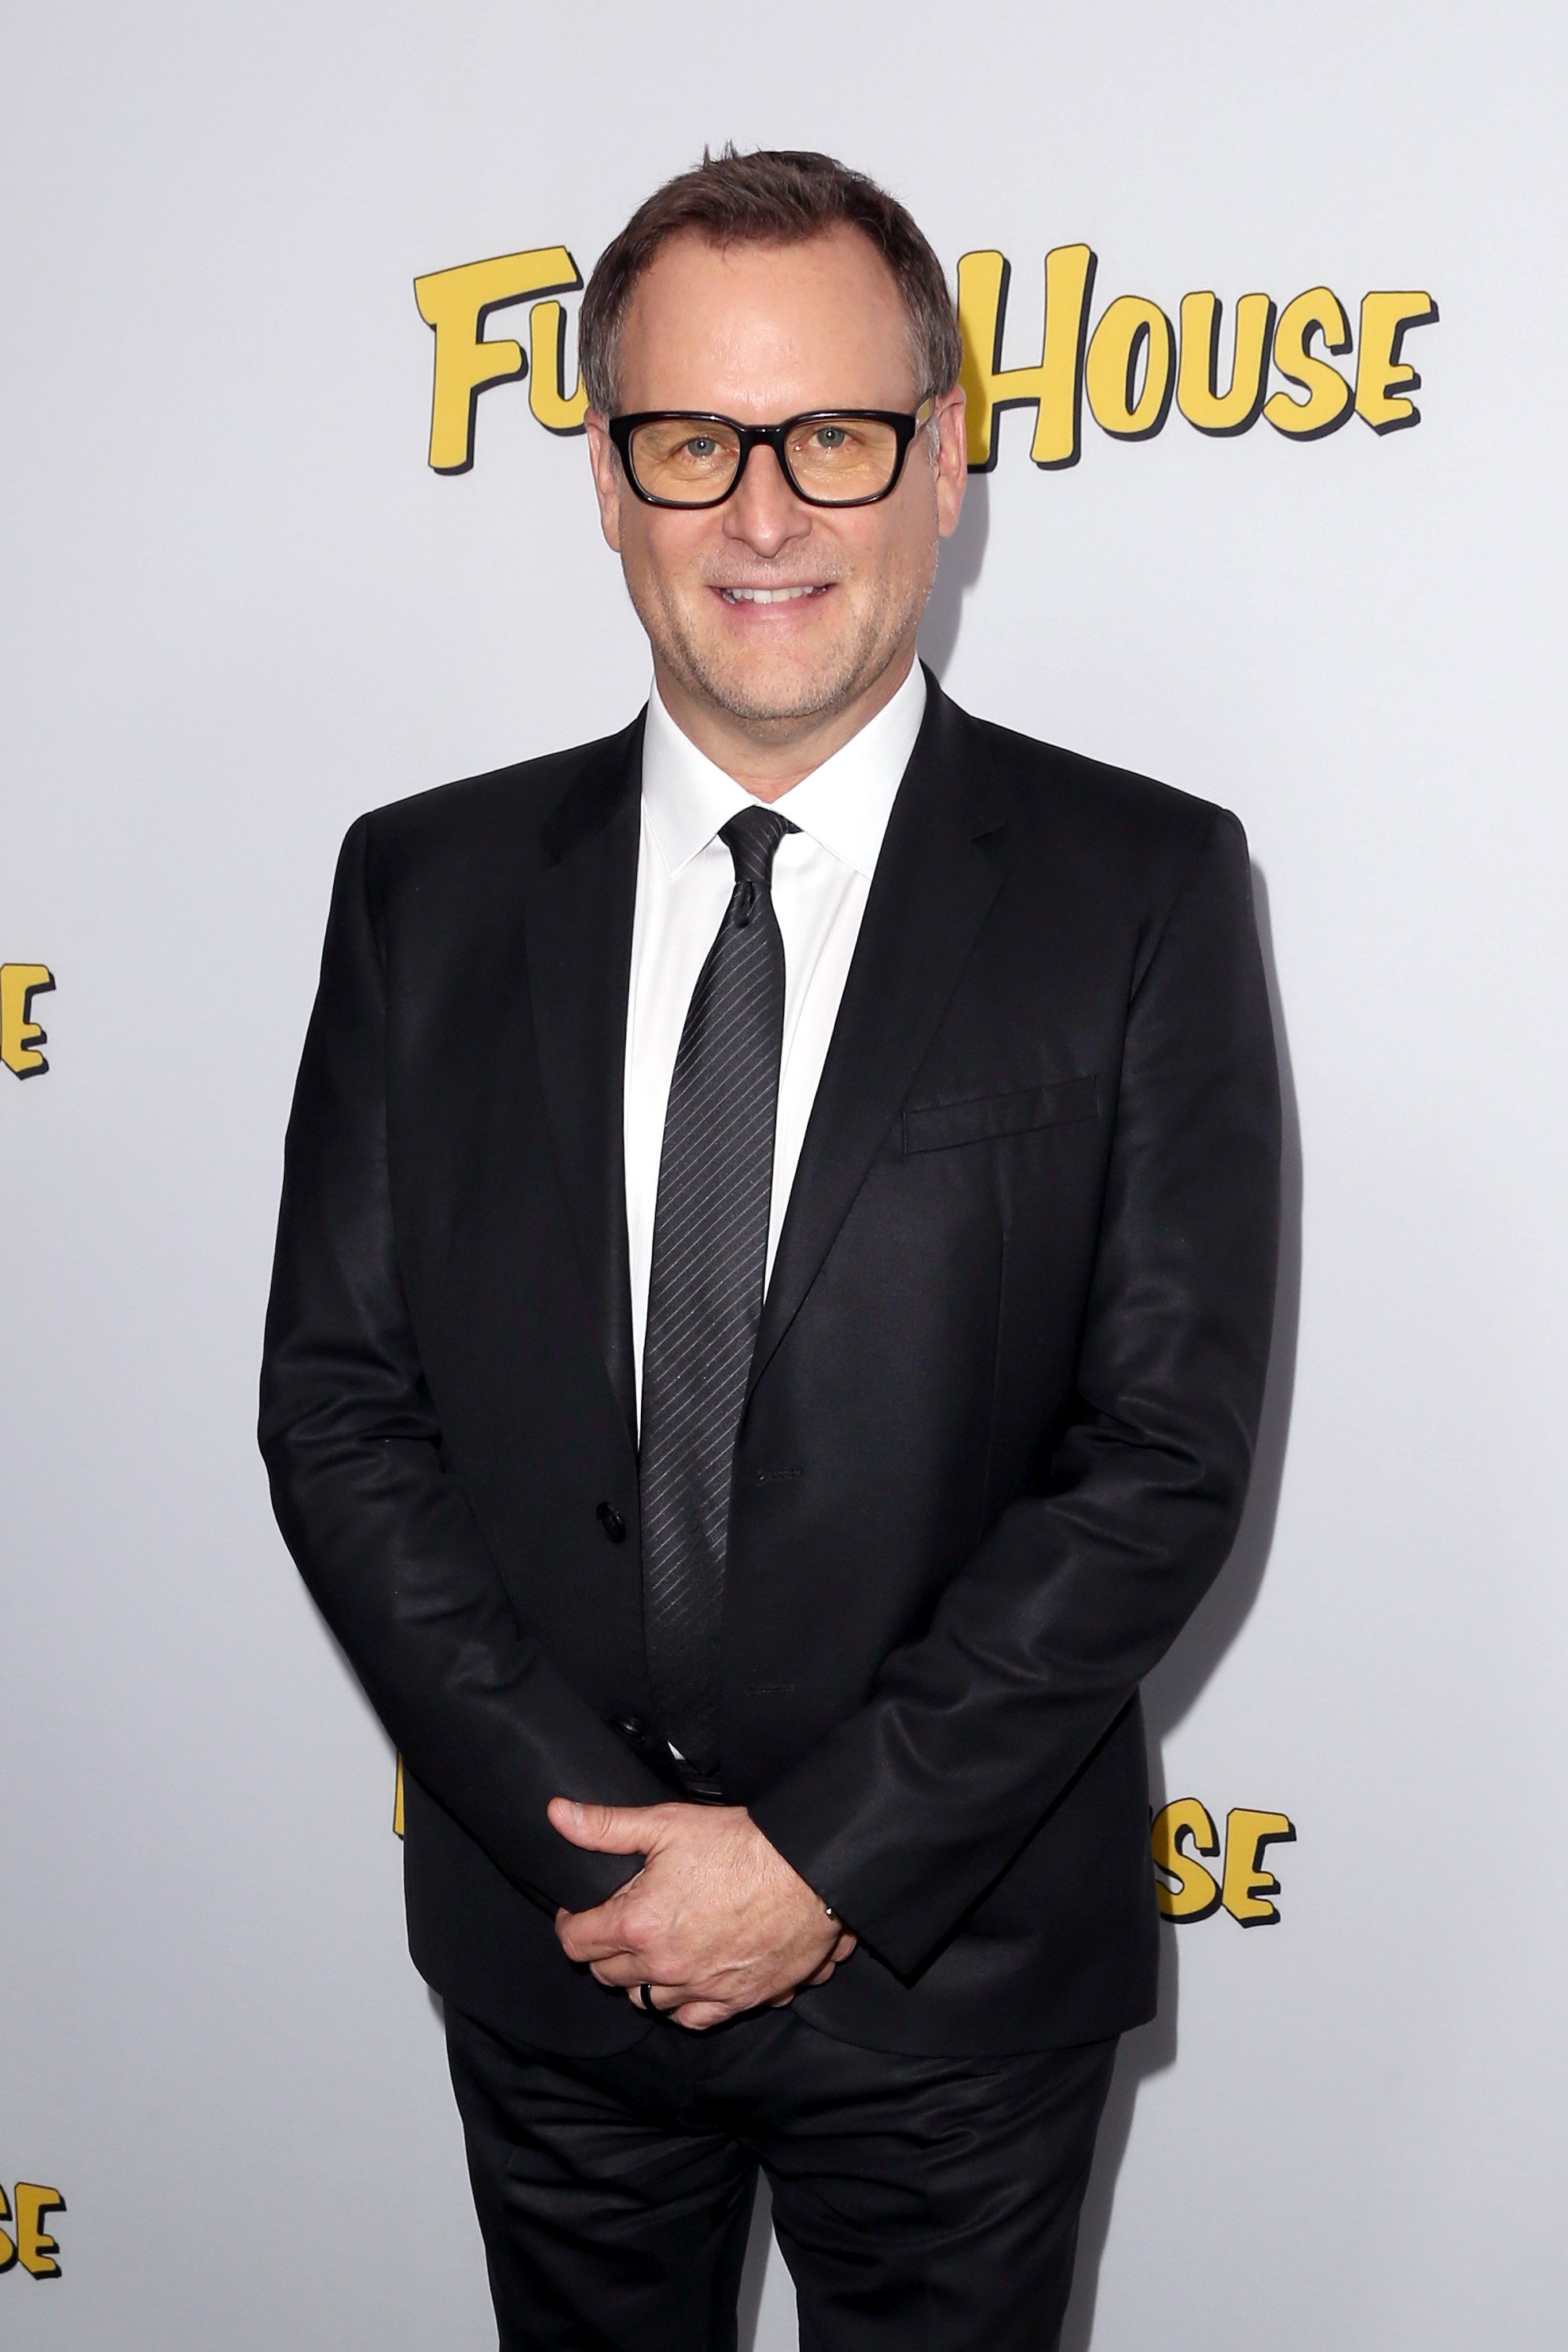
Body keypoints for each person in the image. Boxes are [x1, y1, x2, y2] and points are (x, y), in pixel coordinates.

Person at [260, 146, 1280, 2352]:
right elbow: (341, 1408)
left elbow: (1158, 1455)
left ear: (946, 460)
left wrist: (817, 1865)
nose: (760, 513)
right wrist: (606, 1861)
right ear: (606, 482)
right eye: (685, 441)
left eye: (831, 436)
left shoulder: (1139, 889)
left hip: (953, 1963)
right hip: (560, 1952)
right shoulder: (418, 895)